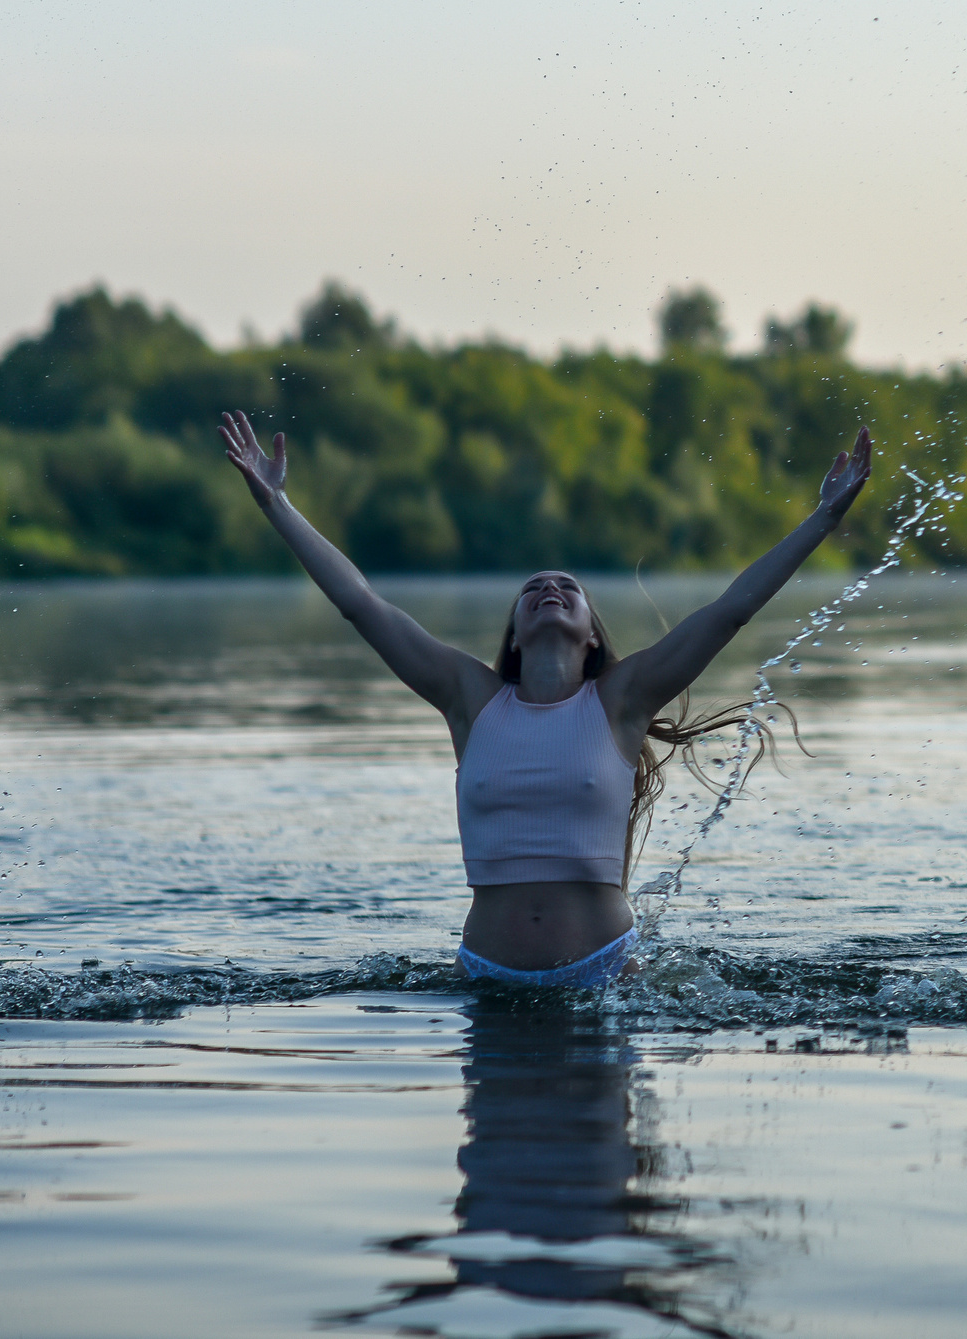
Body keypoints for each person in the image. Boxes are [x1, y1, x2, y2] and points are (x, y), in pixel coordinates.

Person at [219, 410, 873, 989]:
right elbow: (361, 604)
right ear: (514, 630)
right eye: (534, 587)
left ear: (592, 635)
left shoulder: (622, 699)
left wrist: (822, 520)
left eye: (568, 586)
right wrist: (277, 504)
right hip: (486, 977)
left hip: (606, 973)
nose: (550, 588)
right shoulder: (470, 697)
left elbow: (731, 609)